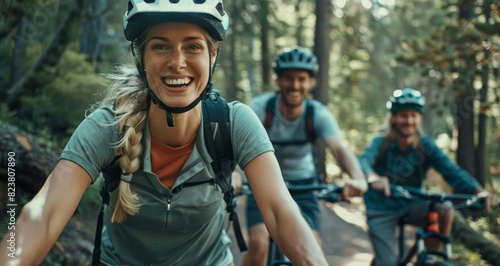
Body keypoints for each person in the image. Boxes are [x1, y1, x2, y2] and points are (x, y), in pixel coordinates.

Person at [0, 2, 330, 265]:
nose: (177, 62)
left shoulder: (234, 122)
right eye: (160, 47)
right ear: (141, 58)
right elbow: (43, 215)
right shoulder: (107, 127)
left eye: (193, 47)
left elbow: (279, 210)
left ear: (212, 56)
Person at [242, 46, 368, 266]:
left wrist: (358, 177)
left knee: (313, 247)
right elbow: (239, 142)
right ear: (278, 81)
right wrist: (235, 174)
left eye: (302, 79)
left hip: (304, 188)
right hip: (263, 186)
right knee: (259, 243)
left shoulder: (317, 113)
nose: (295, 85)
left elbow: (339, 149)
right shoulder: (261, 109)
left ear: (311, 83)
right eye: (289, 78)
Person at [358, 87, 499, 265]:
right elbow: (362, 162)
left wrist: (479, 192)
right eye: (403, 115)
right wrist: (372, 177)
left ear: (420, 117)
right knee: (387, 263)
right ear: (393, 117)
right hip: (381, 207)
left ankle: (432, 258)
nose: (408, 120)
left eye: (413, 115)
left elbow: (452, 171)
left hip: (413, 202)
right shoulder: (381, 141)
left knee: (444, 207)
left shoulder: (426, 145)